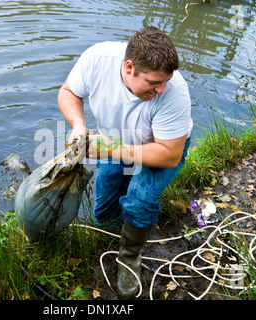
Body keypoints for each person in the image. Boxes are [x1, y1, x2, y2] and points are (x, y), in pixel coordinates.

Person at [58, 26, 192, 299]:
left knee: (140, 197)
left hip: (162, 145)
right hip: (116, 140)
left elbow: (169, 154)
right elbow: (68, 91)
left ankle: (129, 257)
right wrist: (78, 126)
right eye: (154, 83)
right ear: (129, 67)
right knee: (104, 212)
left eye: (165, 81)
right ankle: (117, 234)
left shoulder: (174, 91)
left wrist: (113, 150)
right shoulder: (97, 60)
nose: (161, 88)